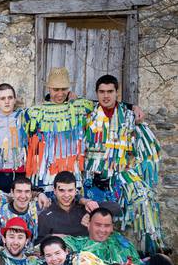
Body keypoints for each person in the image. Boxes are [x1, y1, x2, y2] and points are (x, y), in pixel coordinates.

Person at [83, 74, 164, 253]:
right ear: (96, 93)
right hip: (92, 178)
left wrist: (130, 170)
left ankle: (152, 253)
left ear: (117, 93)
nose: (106, 96)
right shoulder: (88, 115)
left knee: (145, 199)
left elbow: (141, 152)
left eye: (110, 91)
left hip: (122, 176)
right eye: (102, 92)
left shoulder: (129, 117)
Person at [25, 67, 94, 193]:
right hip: (45, 172)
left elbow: (100, 106)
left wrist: (75, 100)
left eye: (64, 89)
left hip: (71, 170)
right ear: (49, 89)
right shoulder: (37, 112)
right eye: (56, 89)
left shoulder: (78, 108)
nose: (60, 93)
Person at [37, 171, 121, 243]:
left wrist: (92, 214)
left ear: (75, 191)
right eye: (61, 190)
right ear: (55, 191)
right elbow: (38, 242)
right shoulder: (46, 214)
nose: (66, 195)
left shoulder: (85, 206)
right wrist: (52, 237)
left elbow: (116, 207)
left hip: (89, 254)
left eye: (70, 190)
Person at [0, 83, 29, 193]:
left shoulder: (24, 119)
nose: (7, 101)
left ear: (15, 100)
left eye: (10, 98)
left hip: (18, 174)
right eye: (2, 98)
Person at [0, 176, 41, 246]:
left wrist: (40, 194)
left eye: (27, 191)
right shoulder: (1, 212)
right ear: (12, 193)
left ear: (31, 194)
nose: (23, 196)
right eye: (19, 191)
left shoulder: (36, 209)